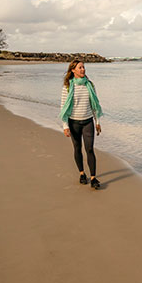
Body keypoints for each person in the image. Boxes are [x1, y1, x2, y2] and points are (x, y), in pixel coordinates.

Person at [60, 59, 103, 189]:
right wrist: (65, 126)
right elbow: (63, 107)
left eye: (83, 67)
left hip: (88, 121)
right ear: (73, 70)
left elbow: (94, 105)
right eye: (80, 68)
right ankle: (82, 173)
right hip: (74, 123)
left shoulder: (90, 85)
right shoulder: (67, 87)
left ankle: (93, 178)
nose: (83, 69)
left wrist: (98, 122)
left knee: (89, 149)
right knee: (77, 148)